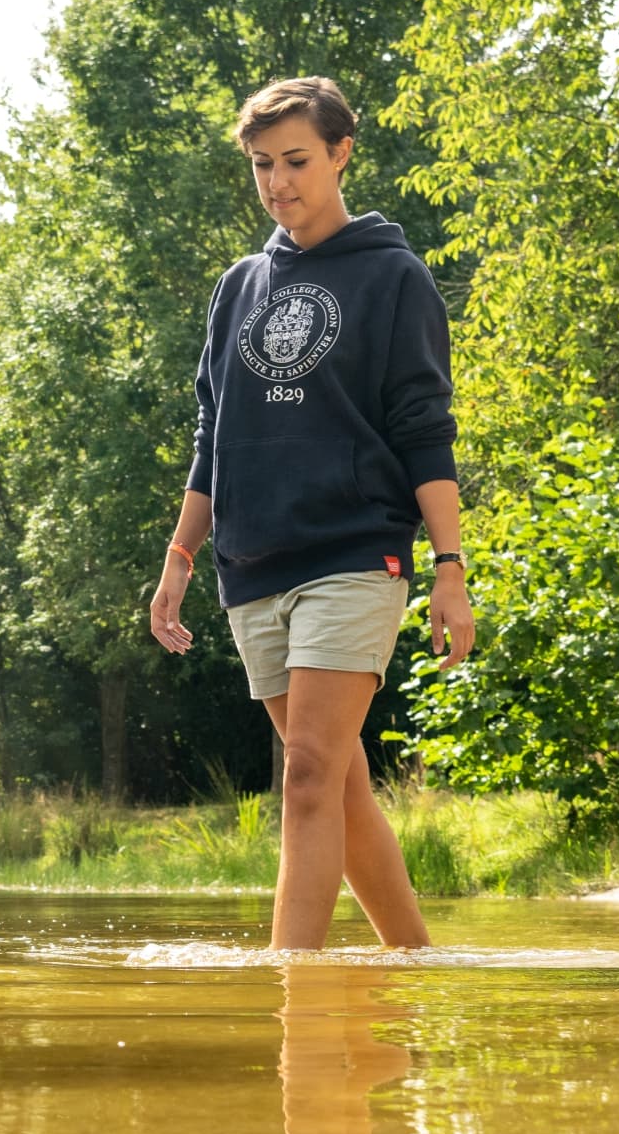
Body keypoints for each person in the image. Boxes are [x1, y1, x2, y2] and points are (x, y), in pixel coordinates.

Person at [147, 77, 472, 950]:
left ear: (340, 154)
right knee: (338, 782)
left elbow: (422, 429)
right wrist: (182, 555)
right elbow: (214, 431)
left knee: (309, 772)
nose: (277, 181)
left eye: (295, 160)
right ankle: (412, 962)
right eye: (261, 165)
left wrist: (450, 569)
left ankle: (294, 984)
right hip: (252, 565)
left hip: (356, 554)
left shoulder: (393, 276)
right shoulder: (238, 287)